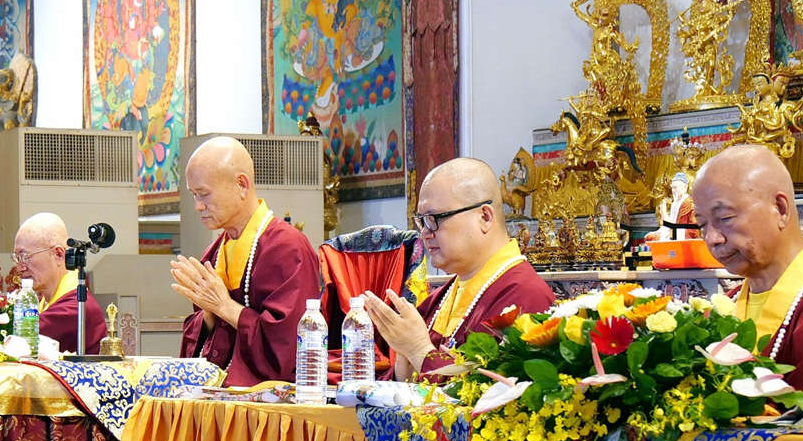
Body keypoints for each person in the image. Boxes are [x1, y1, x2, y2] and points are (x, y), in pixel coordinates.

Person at [693, 143, 803, 407]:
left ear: (780, 209)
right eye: (702, 225)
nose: (712, 238)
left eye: (724, 217)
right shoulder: (719, 311)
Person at [364, 158, 555, 380]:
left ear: (485, 217)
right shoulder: (441, 298)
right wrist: (404, 365)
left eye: (434, 219)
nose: (425, 232)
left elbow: (488, 392)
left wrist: (419, 350)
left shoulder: (525, 297)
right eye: (422, 221)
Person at [172, 136, 321, 386]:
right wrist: (208, 313)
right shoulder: (214, 254)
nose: (198, 206)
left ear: (241, 184)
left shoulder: (287, 248)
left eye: (204, 194)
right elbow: (203, 342)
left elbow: (288, 347)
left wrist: (224, 307)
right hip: (218, 390)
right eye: (193, 195)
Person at [13, 212, 106, 354]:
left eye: (25, 257)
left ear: (58, 254)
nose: (20, 268)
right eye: (17, 258)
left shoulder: (76, 307)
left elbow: (16, 342)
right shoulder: (45, 301)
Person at [645, 172, 698, 241]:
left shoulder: (688, 203)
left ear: (685, 187)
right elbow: (671, 224)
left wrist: (664, 214)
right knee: (650, 236)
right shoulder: (675, 203)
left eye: (676, 188)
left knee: (655, 238)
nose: (673, 191)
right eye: (672, 188)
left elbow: (676, 226)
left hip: (686, 233)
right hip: (675, 230)